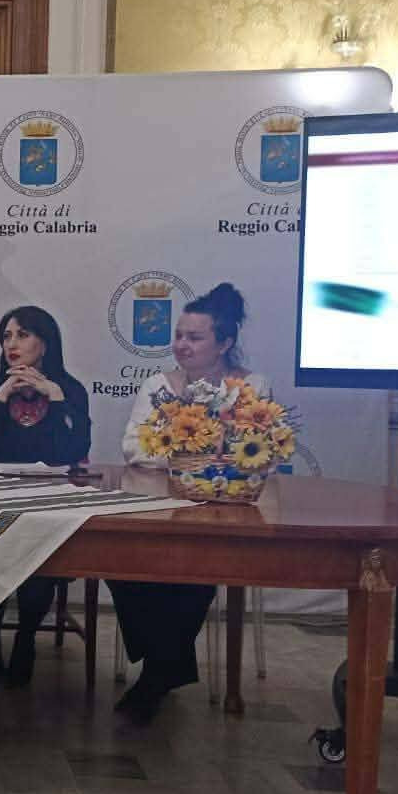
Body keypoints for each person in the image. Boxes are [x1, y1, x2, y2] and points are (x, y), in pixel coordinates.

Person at [111, 282, 269, 723]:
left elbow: (257, 450)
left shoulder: (252, 386)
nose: (181, 345)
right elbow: (133, 448)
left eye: (195, 337)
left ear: (224, 343)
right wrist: (195, 452)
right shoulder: (158, 384)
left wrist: (184, 451)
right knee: (118, 561)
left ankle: (157, 674)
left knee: (197, 564)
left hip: (226, 512)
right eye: (179, 335)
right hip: (160, 507)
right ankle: (168, 666)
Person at [0, 306, 91, 693]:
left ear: (45, 343)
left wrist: (56, 398)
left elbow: (73, 450)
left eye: (23, 335)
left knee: (39, 552)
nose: (12, 344)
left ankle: (26, 637)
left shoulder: (70, 389)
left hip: (46, 501)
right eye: (6, 336)